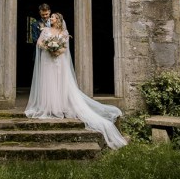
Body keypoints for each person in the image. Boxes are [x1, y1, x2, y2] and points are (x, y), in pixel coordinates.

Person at [25, 12, 127, 150]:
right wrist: (49, 47)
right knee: (48, 83)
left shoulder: (64, 32)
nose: (50, 19)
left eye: (53, 17)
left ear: (58, 20)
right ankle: (48, 106)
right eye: (51, 17)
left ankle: (60, 106)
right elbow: (39, 43)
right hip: (47, 60)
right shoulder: (46, 30)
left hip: (59, 60)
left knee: (60, 83)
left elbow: (65, 48)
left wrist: (57, 50)